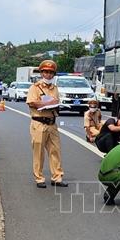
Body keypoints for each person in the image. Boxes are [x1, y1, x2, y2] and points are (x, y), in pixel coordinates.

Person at [26, 60, 68, 188]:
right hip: (39, 123)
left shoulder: (54, 88)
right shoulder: (35, 87)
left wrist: (55, 105)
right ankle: (39, 178)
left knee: (55, 151)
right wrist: (46, 104)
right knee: (39, 152)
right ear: (41, 73)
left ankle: (57, 177)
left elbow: (56, 101)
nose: (48, 75)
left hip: (52, 123)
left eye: (51, 73)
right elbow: (31, 102)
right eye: (45, 72)